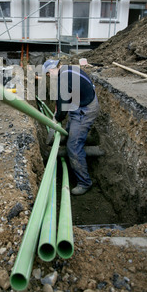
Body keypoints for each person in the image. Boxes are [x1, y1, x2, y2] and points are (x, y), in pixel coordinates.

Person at [42, 59, 99, 195]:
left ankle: (85, 182)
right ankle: (73, 137)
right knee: (69, 132)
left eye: (48, 75)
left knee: (73, 146)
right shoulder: (67, 70)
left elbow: (62, 110)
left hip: (85, 110)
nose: (50, 78)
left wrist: (56, 119)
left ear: (51, 70)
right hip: (79, 104)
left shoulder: (64, 79)